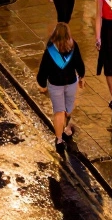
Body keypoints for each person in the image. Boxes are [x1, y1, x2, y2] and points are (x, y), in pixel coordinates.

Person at [35, 22, 86, 153]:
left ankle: (59, 140)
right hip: (71, 83)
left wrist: (42, 84)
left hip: (55, 85)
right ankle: (65, 129)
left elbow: (43, 70)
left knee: (59, 112)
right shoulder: (74, 46)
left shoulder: (50, 50)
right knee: (67, 109)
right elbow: (79, 64)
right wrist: (81, 76)